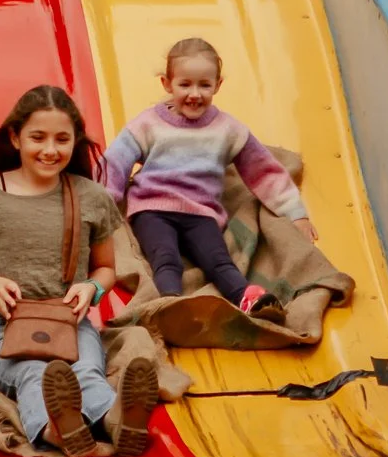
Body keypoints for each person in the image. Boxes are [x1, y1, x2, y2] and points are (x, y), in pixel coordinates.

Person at [0, 85, 157, 457]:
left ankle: (118, 423)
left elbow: (106, 268)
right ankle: (59, 431)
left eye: (62, 139)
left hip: (72, 324)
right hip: (3, 330)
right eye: (37, 138)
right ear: (15, 137)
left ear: (75, 141)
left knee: (85, 372)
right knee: (33, 373)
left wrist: (92, 288)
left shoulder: (90, 196)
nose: (50, 150)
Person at [103, 37, 319, 313]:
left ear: (217, 85)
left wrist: (296, 213)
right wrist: (105, 204)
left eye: (204, 85)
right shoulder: (148, 124)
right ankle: (171, 303)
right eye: (185, 84)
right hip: (152, 208)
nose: (195, 93)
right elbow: (116, 162)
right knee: (166, 257)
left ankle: (247, 297)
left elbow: (264, 171)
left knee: (219, 261)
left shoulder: (228, 130)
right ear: (167, 84)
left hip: (201, 212)